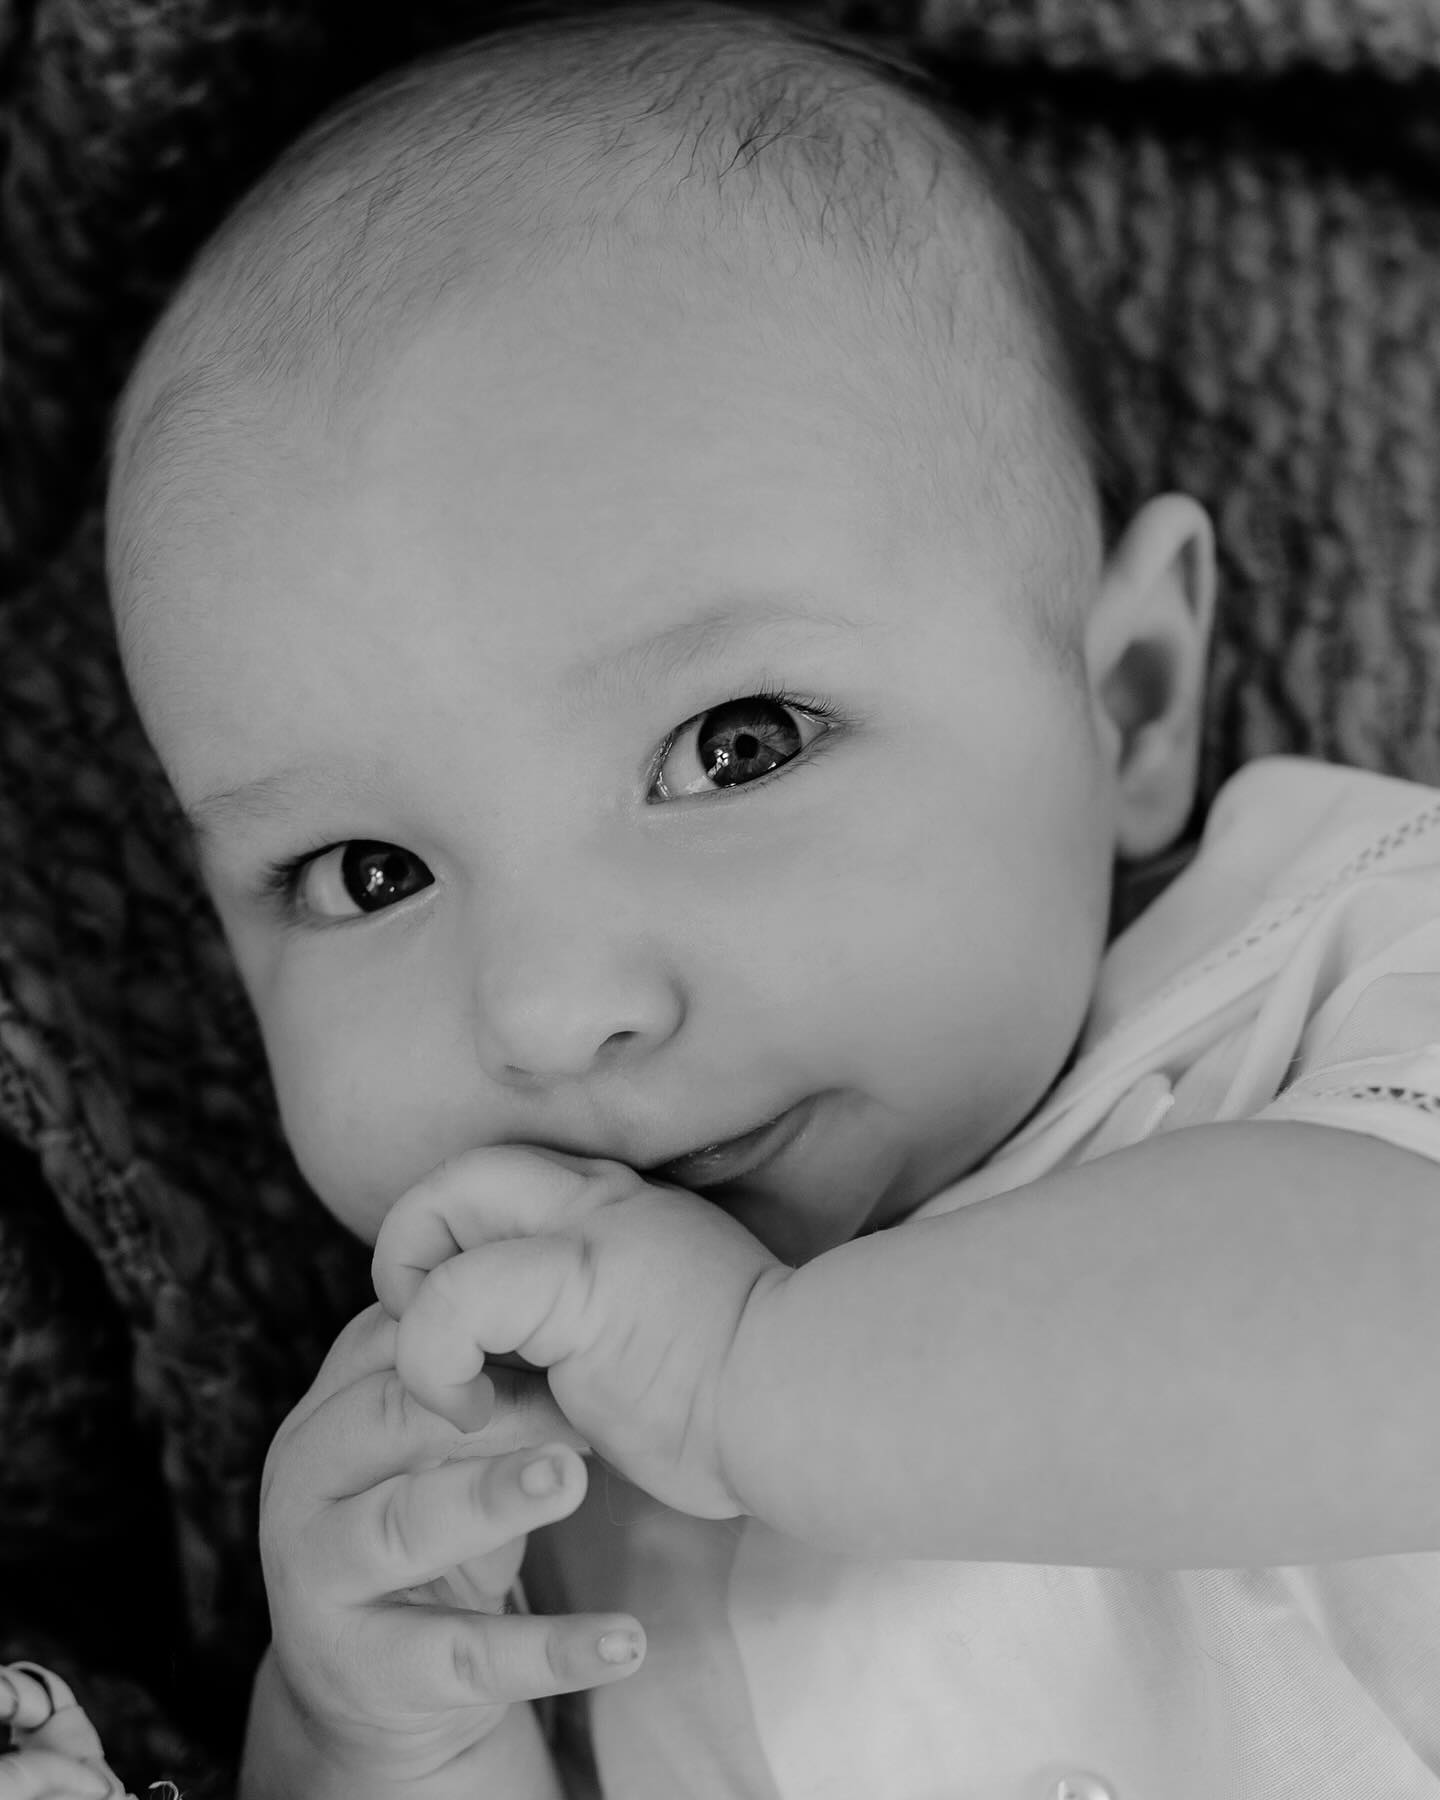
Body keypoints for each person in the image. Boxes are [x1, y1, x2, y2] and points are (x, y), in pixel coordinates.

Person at [90, 1, 1440, 1794]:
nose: (552, 1005)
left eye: (735, 745)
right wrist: (377, 1727)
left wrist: (757, 1382)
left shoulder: (1328, 949)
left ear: (1125, 699)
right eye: (370, 874)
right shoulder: (504, 1460)